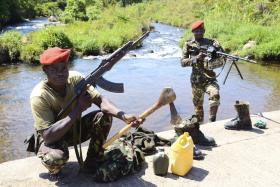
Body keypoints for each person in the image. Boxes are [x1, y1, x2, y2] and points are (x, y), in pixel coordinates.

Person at [30, 47, 142, 174]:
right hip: (53, 136)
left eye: (63, 68)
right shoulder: (39, 96)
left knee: (103, 117)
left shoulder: (76, 80)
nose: (60, 73)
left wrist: (123, 116)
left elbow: (101, 102)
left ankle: (92, 161)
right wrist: (78, 109)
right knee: (56, 159)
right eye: (54, 70)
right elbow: (48, 136)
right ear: (45, 70)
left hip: (75, 130)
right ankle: (55, 167)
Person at [180, 20, 225, 146]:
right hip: (196, 81)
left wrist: (214, 55)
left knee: (215, 94)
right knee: (198, 109)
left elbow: (223, 58)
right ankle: (199, 133)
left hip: (210, 78)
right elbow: (182, 62)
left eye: (201, 31)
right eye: (196, 31)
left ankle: (212, 122)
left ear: (204, 31)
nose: (199, 33)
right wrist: (195, 58)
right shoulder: (188, 44)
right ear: (193, 32)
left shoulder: (212, 43)